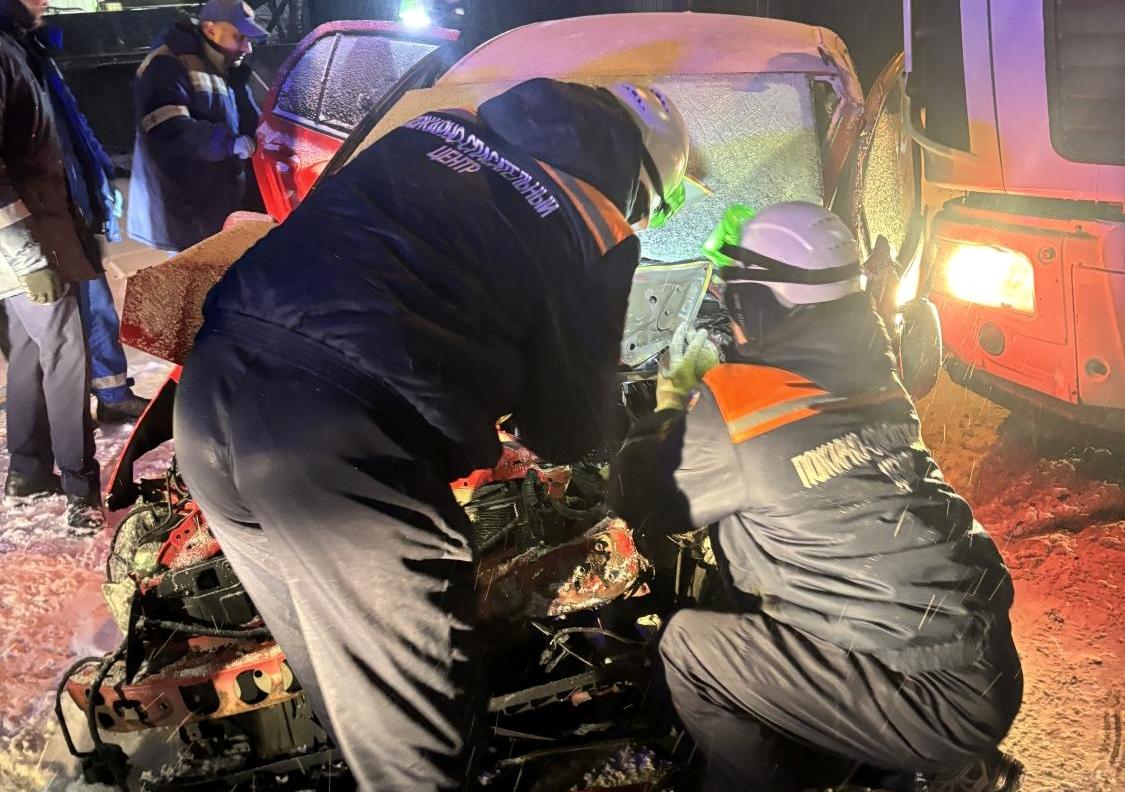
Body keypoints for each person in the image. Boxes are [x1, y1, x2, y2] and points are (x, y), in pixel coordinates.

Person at [172, 79, 690, 789]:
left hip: (212, 395)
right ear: (639, 177)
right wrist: (628, 429)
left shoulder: (434, 129)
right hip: (336, 445)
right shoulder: (598, 220)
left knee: (346, 683)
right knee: (418, 742)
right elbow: (568, 428)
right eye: (651, 208)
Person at [609, 202, 1023, 792]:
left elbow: (640, 495)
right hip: (984, 664)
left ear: (757, 303)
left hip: (928, 697)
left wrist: (673, 405)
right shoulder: (877, 376)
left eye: (735, 300)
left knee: (689, 649)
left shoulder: (738, 404)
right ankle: (915, 766)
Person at [0, 0, 108, 533]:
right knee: (66, 357)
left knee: (27, 350)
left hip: (26, 236)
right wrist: (28, 255)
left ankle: (27, 472)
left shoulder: (17, 45)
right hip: (26, 240)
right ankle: (80, 488)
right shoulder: (4, 51)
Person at [127, 0, 266, 252]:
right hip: (187, 209)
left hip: (216, 201)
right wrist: (229, 143)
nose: (247, 47)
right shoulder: (168, 63)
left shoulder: (224, 64)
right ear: (211, 29)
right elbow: (170, 128)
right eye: (239, 37)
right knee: (198, 270)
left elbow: (248, 119)